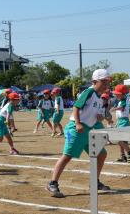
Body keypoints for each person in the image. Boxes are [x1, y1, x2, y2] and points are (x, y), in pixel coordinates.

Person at [47, 69, 111, 198]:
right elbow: (76, 107)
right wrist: (77, 123)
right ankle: (52, 183)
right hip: (77, 128)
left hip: (89, 130)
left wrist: (99, 117)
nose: (106, 84)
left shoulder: (99, 98)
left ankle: (94, 182)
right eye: (103, 81)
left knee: (102, 154)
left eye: (107, 82)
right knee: (67, 156)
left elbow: (94, 114)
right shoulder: (89, 92)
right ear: (94, 81)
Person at [113, 84, 130, 163]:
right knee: (122, 141)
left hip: (124, 122)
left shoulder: (124, 100)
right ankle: (123, 156)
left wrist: (114, 109)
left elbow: (122, 108)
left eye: (117, 94)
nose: (116, 95)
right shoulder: (122, 100)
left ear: (122, 94)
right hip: (121, 121)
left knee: (119, 140)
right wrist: (117, 123)